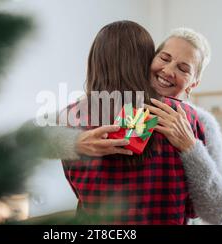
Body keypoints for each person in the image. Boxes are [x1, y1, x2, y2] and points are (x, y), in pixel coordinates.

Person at [22, 27, 222, 224]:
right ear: (147, 60)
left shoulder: (199, 123)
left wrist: (191, 147)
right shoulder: (92, 111)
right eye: (164, 58)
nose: (169, 71)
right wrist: (75, 142)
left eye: (183, 68)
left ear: (193, 83)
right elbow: (26, 136)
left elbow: (221, 213)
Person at [60, 21, 206, 225]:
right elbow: (195, 208)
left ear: (94, 61)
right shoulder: (182, 117)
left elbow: (78, 191)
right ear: (146, 60)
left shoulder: (69, 118)